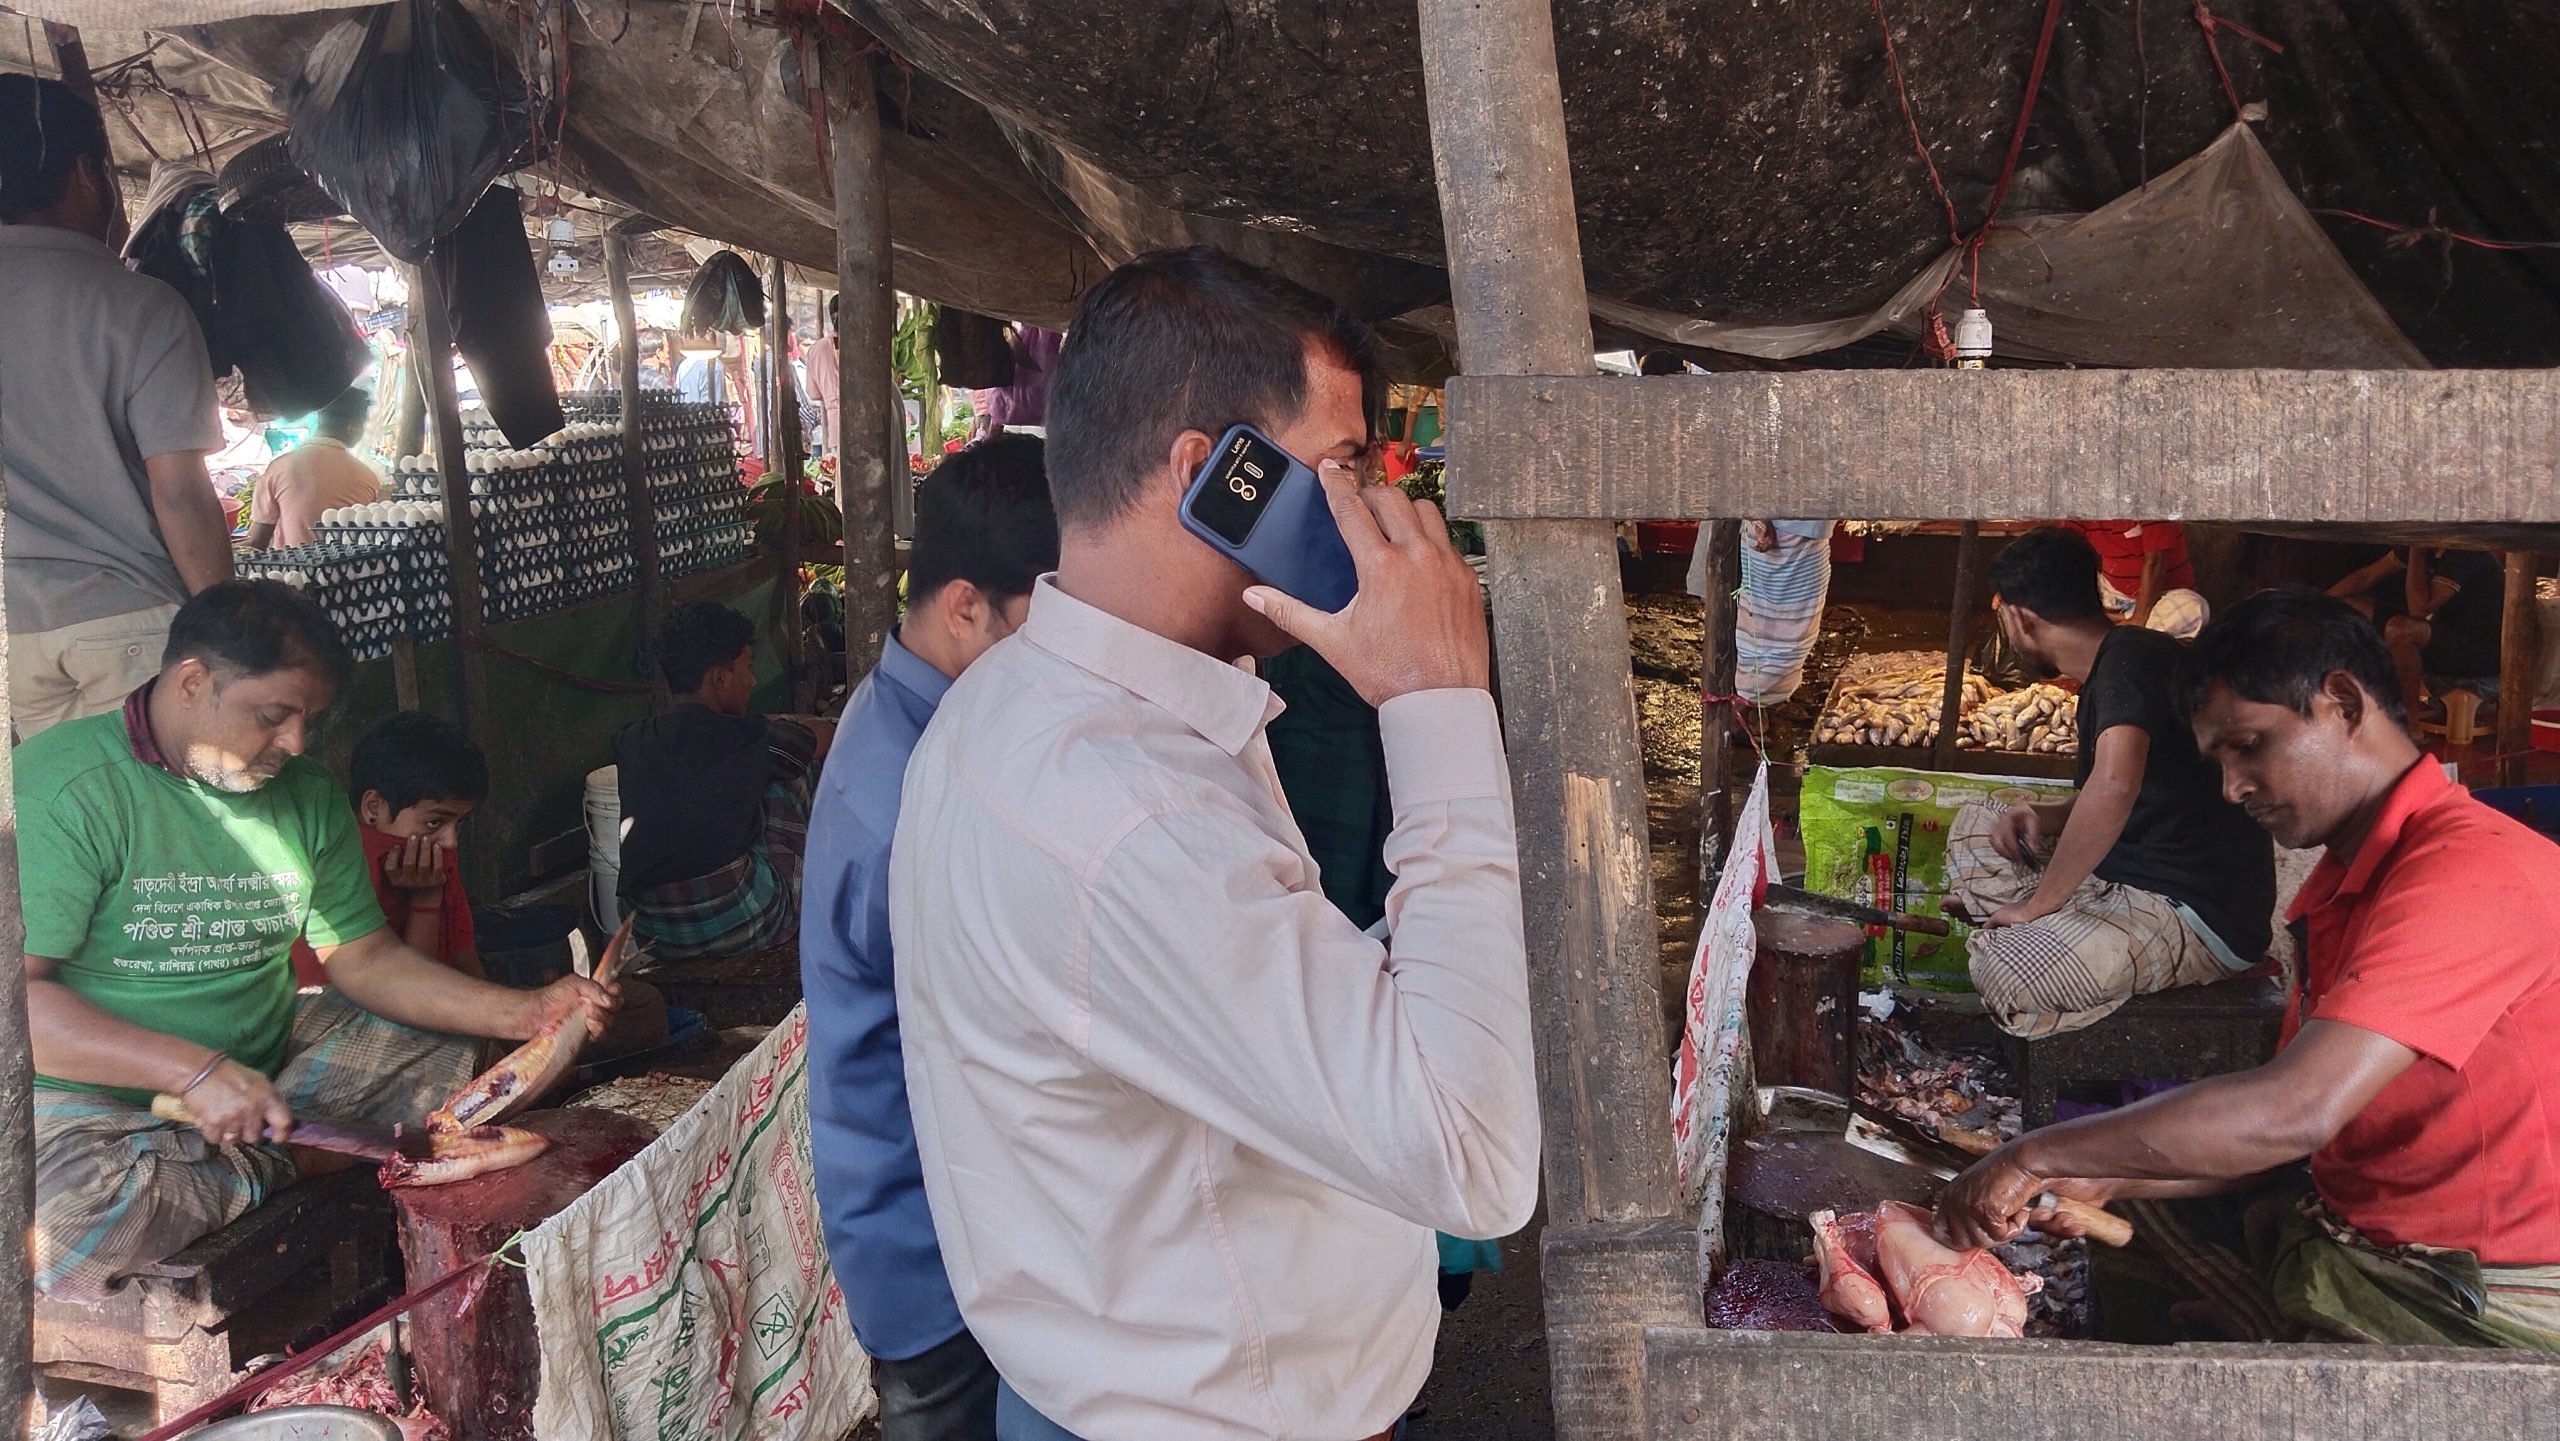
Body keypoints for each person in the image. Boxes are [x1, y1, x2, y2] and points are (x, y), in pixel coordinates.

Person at [891, 247, 1539, 1441]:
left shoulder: (1023, 705)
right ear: (1212, 476)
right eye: (1342, 469)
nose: (1378, 514)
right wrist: (1438, 704)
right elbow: (1476, 1160)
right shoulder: (1129, 809)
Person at [1942, 589, 2560, 1349]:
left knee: (2245, 1379)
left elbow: (2294, 1112)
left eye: (2250, 744)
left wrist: (2034, 1150)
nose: (2233, 787)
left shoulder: (2471, 870)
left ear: (2340, 701)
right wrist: (2109, 1172)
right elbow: (2302, 1135)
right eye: (2220, 760)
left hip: (2465, 1288)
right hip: (2351, 1224)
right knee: (2128, 1210)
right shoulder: (2350, 878)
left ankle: (2268, 1343)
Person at [18, 581, 616, 1301]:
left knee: (445, 1044)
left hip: (268, 1074)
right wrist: (194, 1071)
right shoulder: (61, 789)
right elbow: (15, 1003)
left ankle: (237, 1158)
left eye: (309, 718)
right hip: (78, 1105)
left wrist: (525, 1012)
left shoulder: (306, 796)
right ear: (191, 681)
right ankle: (292, 1157)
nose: (297, 743)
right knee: (58, 1229)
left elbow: (364, 958)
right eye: (274, 715)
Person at [803, 434, 1059, 1441]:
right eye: (1048, 627)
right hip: (932, 1253)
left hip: (962, 1228)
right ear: (965, 606)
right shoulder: (910, 791)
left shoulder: (924, 720)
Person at [1946, 527, 2275, 1038]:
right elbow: (2122, 785)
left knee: (2002, 970)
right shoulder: (2121, 659)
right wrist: (2046, 817)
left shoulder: (2130, 661)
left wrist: (2038, 904)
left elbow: (2117, 786)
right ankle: (2055, 929)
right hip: (2124, 878)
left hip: (2191, 914)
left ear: (2018, 618)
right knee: (1978, 823)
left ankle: (2050, 935)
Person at [1, 75, 233, 738]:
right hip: (127, 624)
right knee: (157, 829)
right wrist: (229, 632)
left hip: (12, 636)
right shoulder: (141, 308)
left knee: (56, 836)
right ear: (84, 175)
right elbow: (182, 495)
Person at [614, 602, 833, 963]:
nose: (753, 680)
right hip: (745, 918)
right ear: (719, 679)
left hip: (651, 930)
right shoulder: (744, 738)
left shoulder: (630, 739)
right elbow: (823, 736)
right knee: (797, 770)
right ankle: (825, 898)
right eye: (747, 668)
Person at [291, 711, 492, 986]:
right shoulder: (340, 868)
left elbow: (465, 961)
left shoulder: (435, 859)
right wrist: (426, 902)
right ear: (374, 808)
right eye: (435, 822)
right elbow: (410, 994)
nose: (451, 841)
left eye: (459, 823)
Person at [2329, 545, 2507, 732]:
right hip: (2448, 639)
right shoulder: (2426, 547)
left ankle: (2409, 722)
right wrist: (2316, 604)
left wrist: (2416, 552)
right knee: (2345, 606)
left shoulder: (2464, 551)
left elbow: (2419, 609)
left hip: (2481, 653)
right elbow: (2367, 576)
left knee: (2401, 630)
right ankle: (2355, 702)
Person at [247, 386, 384, 550]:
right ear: (352, 426)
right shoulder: (367, 477)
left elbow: (256, 542)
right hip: (348, 571)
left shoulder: (280, 467)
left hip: (289, 573)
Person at [2067, 519, 2209, 638]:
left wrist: (2138, 619)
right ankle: (2122, 632)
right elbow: (2066, 546)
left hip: (2162, 600)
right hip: (2112, 595)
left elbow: (2155, 563)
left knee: (2194, 609)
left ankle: (2116, 629)